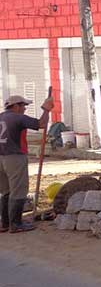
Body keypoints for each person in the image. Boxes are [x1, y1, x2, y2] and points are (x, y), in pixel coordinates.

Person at [0, 95, 54, 233]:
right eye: (23, 106)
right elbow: (41, 124)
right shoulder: (18, 117)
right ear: (16, 106)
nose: (24, 109)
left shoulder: (1, 117)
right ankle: (16, 224)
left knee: (6, 191)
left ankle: (4, 223)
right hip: (14, 157)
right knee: (18, 190)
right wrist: (46, 110)